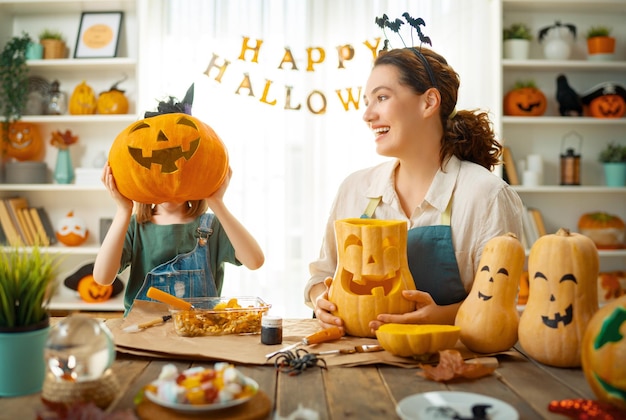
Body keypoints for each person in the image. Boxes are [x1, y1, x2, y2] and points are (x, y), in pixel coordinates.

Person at [305, 45, 524, 334]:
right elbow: (322, 276)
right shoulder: (355, 188)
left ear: (429, 102)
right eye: (367, 101)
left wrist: (442, 316)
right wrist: (320, 299)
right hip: (352, 363)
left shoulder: (486, 196)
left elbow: (499, 303)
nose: (368, 114)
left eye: (382, 97)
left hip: (449, 364)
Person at [93, 100, 265, 316]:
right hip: (144, 335)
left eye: (177, 168)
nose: (168, 176)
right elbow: (102, 277)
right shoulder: (135, 227)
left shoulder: (211, 226)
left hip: (199, 333)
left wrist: (217, 202)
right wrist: (123, 210)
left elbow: (255, 261)